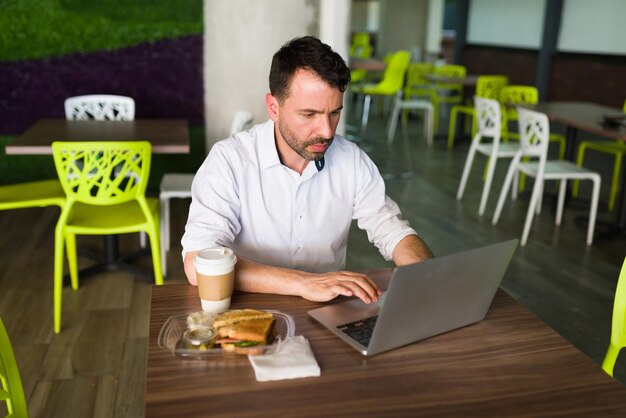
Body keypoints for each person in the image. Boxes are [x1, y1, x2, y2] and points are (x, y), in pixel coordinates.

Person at [182, 36, 433, 305]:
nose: (326, 131)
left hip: (328, 308)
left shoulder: (350, 159)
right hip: (249, 307)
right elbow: (199, 262)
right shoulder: (230, 160)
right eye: (309, 114)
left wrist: (428, 276)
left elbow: (391, 229)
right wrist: (304, 283)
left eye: (334, 113)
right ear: (274, 108)